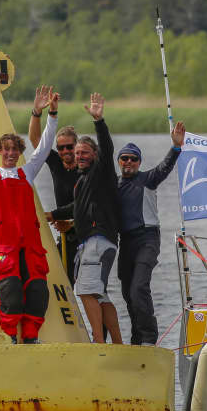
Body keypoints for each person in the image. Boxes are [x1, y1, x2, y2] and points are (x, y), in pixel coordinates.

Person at [0, 85, 59, 344]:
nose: (10, 154)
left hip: (32, 247)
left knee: (38, 291)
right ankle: (10, 337)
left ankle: (31, 337)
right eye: (5, 149)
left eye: (14, 149)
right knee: (11, 292)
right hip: (5, 249)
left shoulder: (27, 173)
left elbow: (45, 147)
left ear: (19, 152)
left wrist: (50, 114)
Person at [47, 93, 123, 344]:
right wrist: (52, 215)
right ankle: (118, 343)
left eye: (84, 152)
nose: (78, 155)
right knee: (100, 295)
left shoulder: (101, 172)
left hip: (97, 240)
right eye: (77, 152)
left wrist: (99, 121)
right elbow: (74, 207)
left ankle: (98, 342)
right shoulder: (83, 180)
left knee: (86, 290)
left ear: (95, 154)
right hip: (98, 242)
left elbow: (108, 148)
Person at [116, 121, 185, 346]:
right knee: (127, 293)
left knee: (138, 288)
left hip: (147, 239)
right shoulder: (113, 186)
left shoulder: (147, 179)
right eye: (124, 158)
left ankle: (149, 337)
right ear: (119, 161)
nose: (128, 162)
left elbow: (165, 166)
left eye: (133, 159)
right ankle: (137, 337)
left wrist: (175, 147)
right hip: (125, 242)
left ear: (139, 163)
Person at [28, 91, 80, 283]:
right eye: (61, 148)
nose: (65, 151)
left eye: (69, 147)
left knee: (90, 290)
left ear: (77, 145)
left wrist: (67, 221)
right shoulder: (56, 163)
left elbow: (88, 204)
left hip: (87, 234)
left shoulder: (87, 167)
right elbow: (35, 141)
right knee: (58, 281)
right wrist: (37, 112)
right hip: (66, 236)